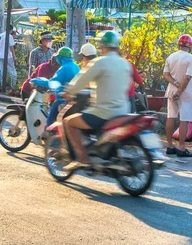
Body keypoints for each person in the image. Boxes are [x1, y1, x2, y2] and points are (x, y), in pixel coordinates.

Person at [62, 31, 132, 170]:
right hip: (123, 111)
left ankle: (83, 157)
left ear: (101, 46)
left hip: (103, 112)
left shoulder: (99, 62)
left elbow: (81, 80)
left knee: (68, 122)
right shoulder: (125, 64)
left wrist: (69, 92)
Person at [162, 34, 192, 157]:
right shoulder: (191, 58)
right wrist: (180, 91)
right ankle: (181, 147)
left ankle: (170, 145)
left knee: (170, 116)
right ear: (190, 46)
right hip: (185, 92)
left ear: (179, 44)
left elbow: (165, 74)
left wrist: (175, 84)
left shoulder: (171, 57)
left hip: (171, 90)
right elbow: (187, 78)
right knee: (184, 119)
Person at [45, 47, 80, 127]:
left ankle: (48, 128)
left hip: (65, 97)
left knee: (55, 105)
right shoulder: (76, 66)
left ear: (61, 57)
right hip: (75, 97)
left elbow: (52, 82)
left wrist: (38, 81)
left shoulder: (64, 68)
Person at [0, 25, 17, 89]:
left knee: (1, 71)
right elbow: (11, 47)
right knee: (12, 71)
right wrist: (14, 56)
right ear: (11, 30)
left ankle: (1, 85)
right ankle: (13, 85)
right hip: (8, 56)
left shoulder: (0, 35)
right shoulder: (10, 36)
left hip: (0, 56)